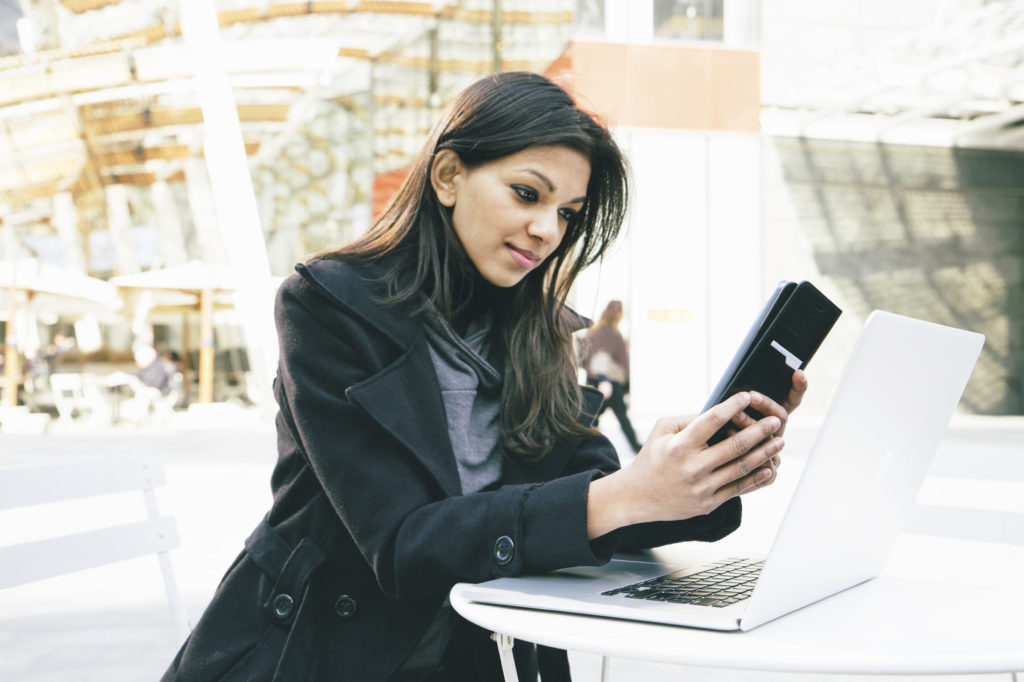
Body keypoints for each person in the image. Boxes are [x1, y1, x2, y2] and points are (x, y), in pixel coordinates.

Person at [162, 71, 806, 682]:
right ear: (447, 175)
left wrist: (700, 469)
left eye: (569, 213)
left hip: (465, 656)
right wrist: (620, 495)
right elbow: (402, 544)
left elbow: (589, 505)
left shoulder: (538, 330)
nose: (547, 230)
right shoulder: (328, 305)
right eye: (528, 194)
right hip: (306, 655)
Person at [581, 299, 643, 453]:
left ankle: (586, 447)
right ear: (618, 314)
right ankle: (636, 447)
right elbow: (601, 358)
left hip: (600, 382)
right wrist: (604, 380)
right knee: (620, 418)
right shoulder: (609, 333)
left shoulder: (596, 332)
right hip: (608, 384)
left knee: (592, 418)